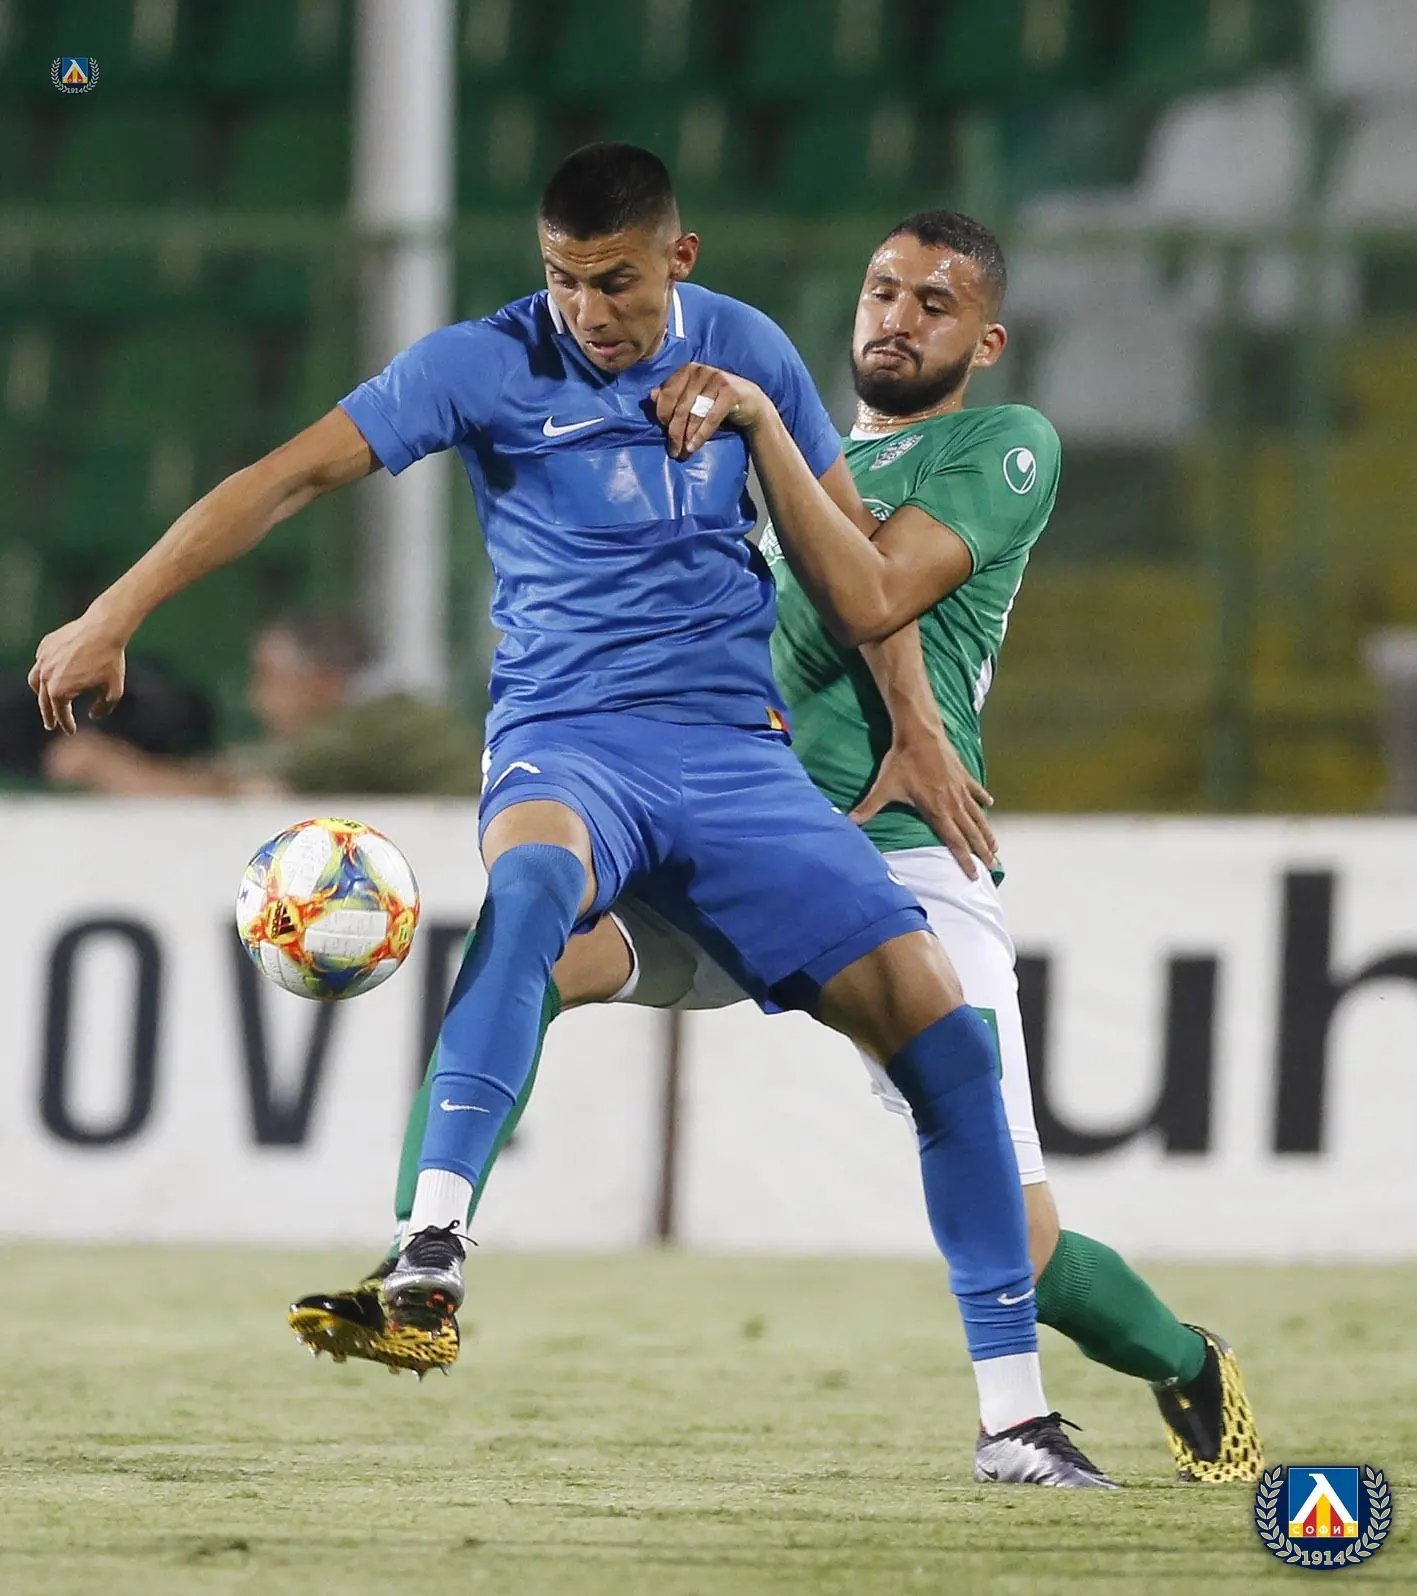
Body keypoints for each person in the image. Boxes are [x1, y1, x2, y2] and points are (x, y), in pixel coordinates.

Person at [31, 143, 1110, 1488]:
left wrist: (914, 719)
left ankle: (1013, 1421)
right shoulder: (477, 364)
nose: (587, 312)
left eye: (615, 283)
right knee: (533, 892)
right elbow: (286, 477)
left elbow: (852, 571)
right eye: (562, 280)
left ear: (679, 260)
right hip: (567, 740)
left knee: (939, 1031)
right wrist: (115, 609)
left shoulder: (749, 352)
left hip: (735, 757)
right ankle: (427, 1252)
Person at [293, 209, 1262, 1487]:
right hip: (730, 837)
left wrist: (917, 725)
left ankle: (1185, 1363)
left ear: (985, 341)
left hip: (901, 854)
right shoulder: (769, 445)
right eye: (881, 290)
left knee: (1023, 1251)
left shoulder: (999, 446)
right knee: (524, 952)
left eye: (933, 303)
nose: (896, 318)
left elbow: (876, 588)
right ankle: (423, 1252)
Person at [41, 613, 484, 797]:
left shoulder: (369, 732)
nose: (256, 700)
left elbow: (239, 790)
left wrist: (110, 768)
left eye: (269, 678)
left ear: (324, 681)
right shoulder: (393, 716)